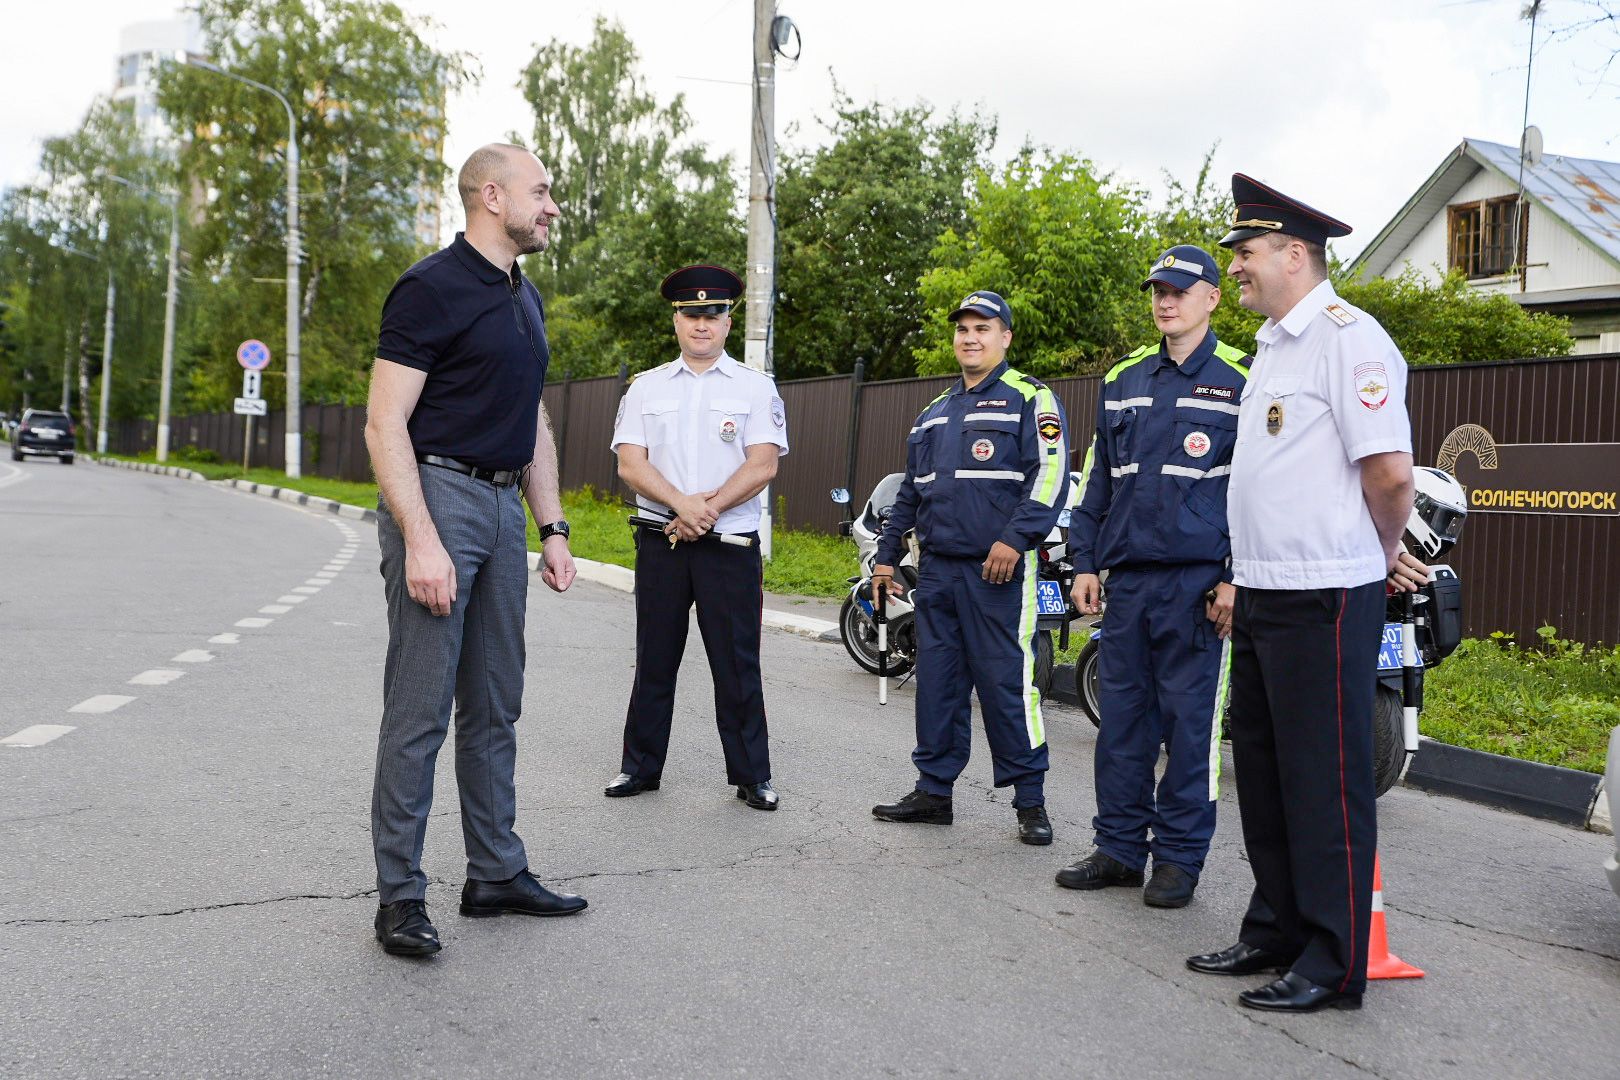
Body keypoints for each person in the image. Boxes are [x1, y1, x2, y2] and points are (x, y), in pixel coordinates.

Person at [1185, 174, 1417, 1012]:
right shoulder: (1278, 348)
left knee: (1324, 780)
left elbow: (1389, 474)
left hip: (1327, 592)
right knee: (1269, 770)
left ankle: (1333, 959)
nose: (1236, 269)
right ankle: (1276, 927)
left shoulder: (1350, 340)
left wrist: (1374, 553)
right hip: (1268, 590)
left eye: (1244, 255)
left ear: (1294, 252)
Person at [365, 143, 587, 958]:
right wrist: (422, 539)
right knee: (420, 709)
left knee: (496, 704)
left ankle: (495, 870)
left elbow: (532, 419)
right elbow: (385, 421)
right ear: (491, 196)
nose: (552, 206)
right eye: (542, 191)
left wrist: (552, 524)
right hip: (440, 498)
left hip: (501, 509)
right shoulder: (431, 287)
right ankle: (400, 896)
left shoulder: (524, 299)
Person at [1055, 246, 1250, 908]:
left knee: (1190, 730)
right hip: (1128, 583)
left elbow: (1258, 492)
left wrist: (1235, 577)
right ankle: (1116, 849)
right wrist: (1084, 562)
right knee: (1123, 725)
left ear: (1212, 298)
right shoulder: (1123, 379)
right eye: (1158, 290)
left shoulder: (1244, 380)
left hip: (1198, 587)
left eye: (1180, 290)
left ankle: (1178, 858)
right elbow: (1098, 479)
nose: (1166, 300)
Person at [870, 291, 1070, 845]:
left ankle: (1031, 802)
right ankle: (934, 792)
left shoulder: (1032, 399)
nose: (970, 337)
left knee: (1008, 687)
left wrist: (1014, 540)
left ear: (1005, 337)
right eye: (963, 329)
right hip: (937, 573)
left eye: (983, 328)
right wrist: (886, 558)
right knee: (937, 686)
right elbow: (911, 492)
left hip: (999, 574)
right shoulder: (933, 415)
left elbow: (1050, 478)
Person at [604, 265, 789, 810]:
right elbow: (630, 463)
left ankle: (752, 776)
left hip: (728, 548)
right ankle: (639, 769)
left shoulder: (757, 388)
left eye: (712, 315)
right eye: (691, 315)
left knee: (736, 665)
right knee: (654, 659)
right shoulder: (646, 387)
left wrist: (703, 511)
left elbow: (762, 465)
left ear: (729, 321)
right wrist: (681, 506)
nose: (701, 324)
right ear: (676, 320)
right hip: (662, 540)